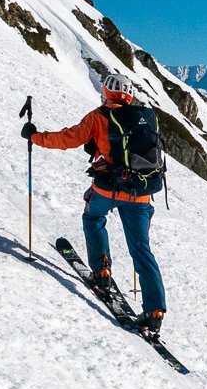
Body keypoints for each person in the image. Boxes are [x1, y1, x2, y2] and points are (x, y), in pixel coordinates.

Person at [20, 72, 169, 340]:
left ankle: (101, 272)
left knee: (93, 219)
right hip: (141, 193)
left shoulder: (98, 117)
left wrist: (35, 137)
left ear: (108, 92)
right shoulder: (146, 117)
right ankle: (155, 311)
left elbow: (68, 138)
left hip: (108, 188)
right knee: (141, 249)